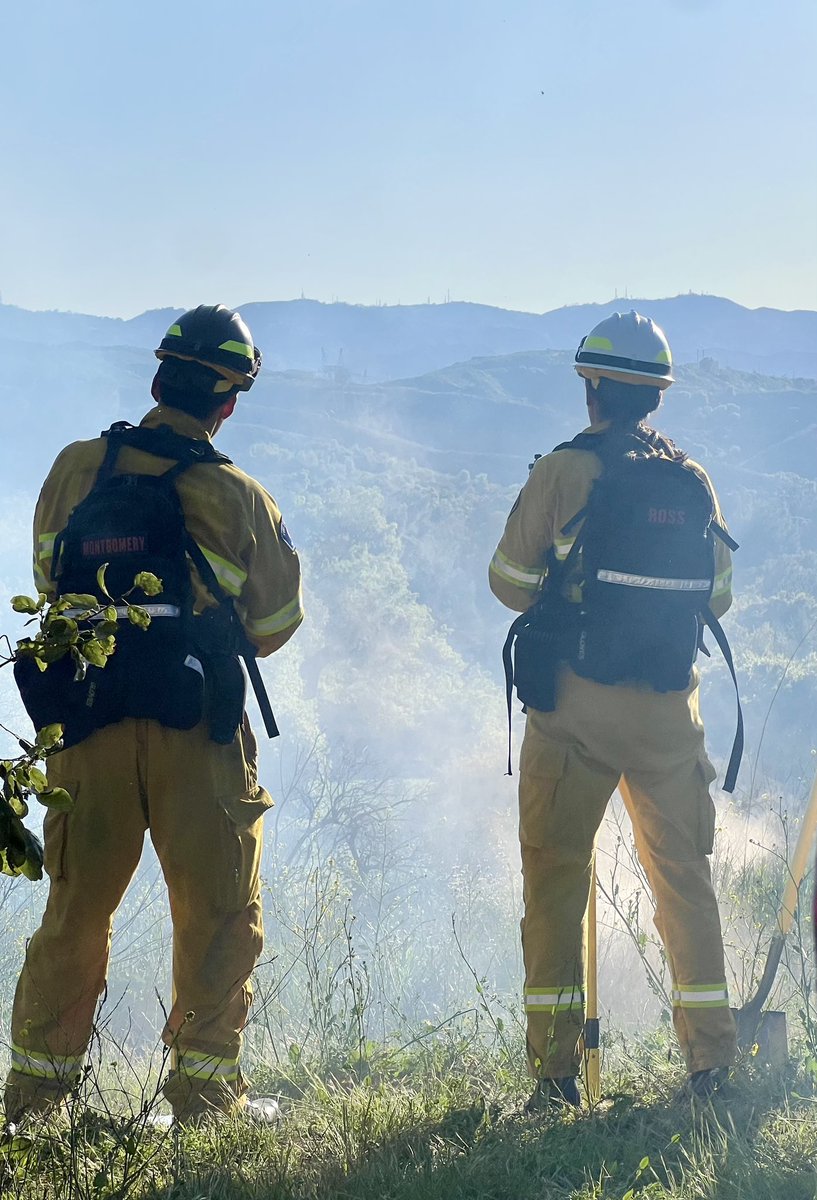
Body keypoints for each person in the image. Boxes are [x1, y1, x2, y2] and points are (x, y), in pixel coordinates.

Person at [5, 305, 303, 1125]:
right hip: (194, 733)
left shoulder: (74, 469)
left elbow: (48, 580)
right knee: (216, 912)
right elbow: (273, 632)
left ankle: (33, 1106)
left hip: (87, 719)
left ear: (155, 381)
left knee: (74, 910)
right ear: (229, 403)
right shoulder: (238, 494)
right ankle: (206, 1102)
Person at [489, 311, 738, 1110]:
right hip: (669, 715)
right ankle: (709, 1066)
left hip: (573, 711)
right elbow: (719, 599)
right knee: (683, 882)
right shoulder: (692, 480)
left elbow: (506, 580)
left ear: (590, 386)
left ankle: (554, 1078)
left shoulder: (565, 471)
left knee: (556, 881)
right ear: (655, 398)